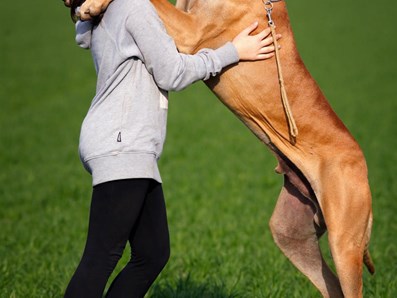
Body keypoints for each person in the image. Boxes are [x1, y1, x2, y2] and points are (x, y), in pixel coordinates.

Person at [63, 0, 278, 296]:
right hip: (123, 144)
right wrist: (233, 52)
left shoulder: (108, 12)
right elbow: (172, 72)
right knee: (100, 258)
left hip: (126, 144)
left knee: (152, 254)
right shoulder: (133, 6)